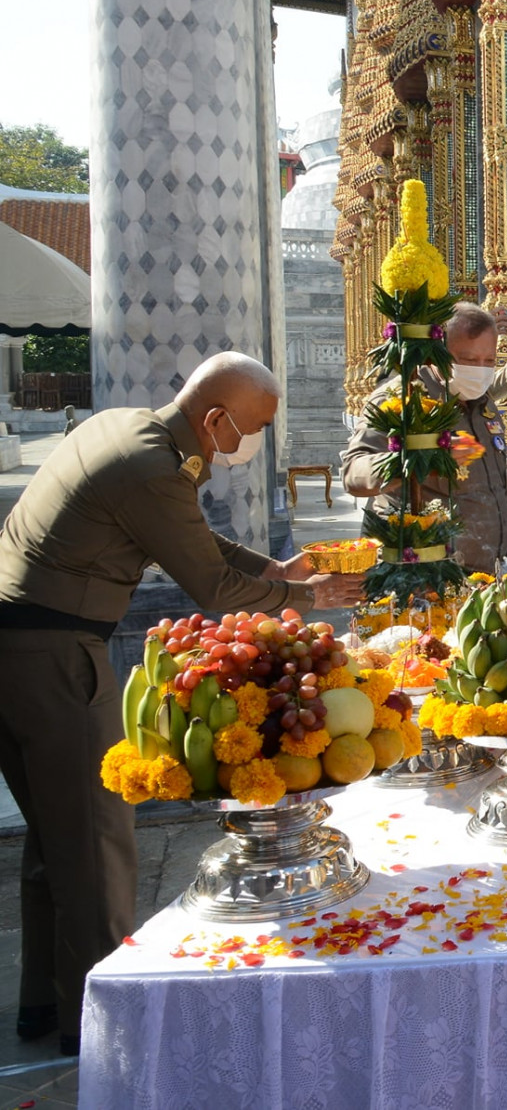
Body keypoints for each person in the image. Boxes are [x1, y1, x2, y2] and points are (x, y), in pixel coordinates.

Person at [0, 352, 363, 1054]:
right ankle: (107, 1026)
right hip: (53, 655)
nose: (253, 444)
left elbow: (194, 540)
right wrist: (305, 596)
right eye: (254, 427)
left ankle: (44, 1002)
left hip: (20, 645)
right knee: (97, 841)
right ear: (215, 418)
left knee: (55, 835)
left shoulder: (129, 431)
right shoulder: (154, 468)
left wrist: (272, 570)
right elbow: (212, 588)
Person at [341, 302, 507, 570]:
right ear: (437, 354)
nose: (480, 370)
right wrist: (421, 458)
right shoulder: (401, 400)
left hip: (489, 574)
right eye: (469, 360)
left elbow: (496, 490)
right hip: (426, 576)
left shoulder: (481, 401)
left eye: (490, 361)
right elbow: (353, 473)